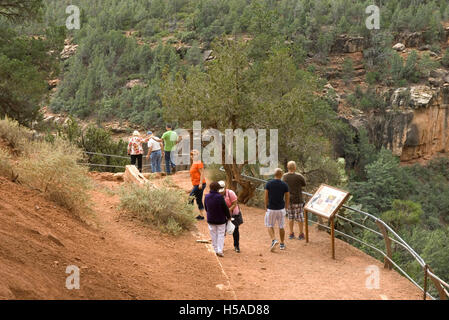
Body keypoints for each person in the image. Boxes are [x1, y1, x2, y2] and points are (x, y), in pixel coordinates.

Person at [264, 168, 290, 252]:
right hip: (281, 209)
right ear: (281, 174)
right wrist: (286, 206)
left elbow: (266, 196)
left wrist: (265, 206)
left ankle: (274, 239)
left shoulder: (269, 184)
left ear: (274, 174)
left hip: (271, 208)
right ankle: (282, 244)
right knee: (281, 226)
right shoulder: (284, 185)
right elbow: (287, 196)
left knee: (269, 225)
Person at [204, 181, 231, 257]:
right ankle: (220, 250)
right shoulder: (220, 197)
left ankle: (215, 249)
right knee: (220, 235)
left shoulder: (206, 196)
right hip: (220, 220)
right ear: (217, 189)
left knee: (213, 234)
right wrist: (228, 217)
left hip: (211, 219)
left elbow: (206, 208)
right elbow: (225, 208)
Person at [282, 161, 307, 240]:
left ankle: (291, 233)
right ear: (295, 167)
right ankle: (301, 234)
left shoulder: (284, 176)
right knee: (300, 217)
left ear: (288, 167)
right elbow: (304, 184)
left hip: (288, 200)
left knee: (290, 217)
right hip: (298, 200)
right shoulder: (299, 176)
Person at [218, 181, 242, 253]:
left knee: (235, 230)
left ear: (225, 188)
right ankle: (220, 246)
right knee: (222, 230)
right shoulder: (217, 194)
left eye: (222, 191)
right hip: (223, 214)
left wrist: (227, 210)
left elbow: (234, 203)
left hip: (234, 213)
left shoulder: (230, 193)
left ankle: (236, 246)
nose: (221, 192)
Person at [189, 149, 207, 220]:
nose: (193, 156)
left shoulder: (199, 163)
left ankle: (188, 214)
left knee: (190, 197)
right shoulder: (194, 163)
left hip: (200, 184)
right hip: (196, 184)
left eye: (195, 155)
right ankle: (201, 216)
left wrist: (200, 183)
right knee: (199, 199)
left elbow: (202, 173)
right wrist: (193, 186)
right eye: (192, 155)